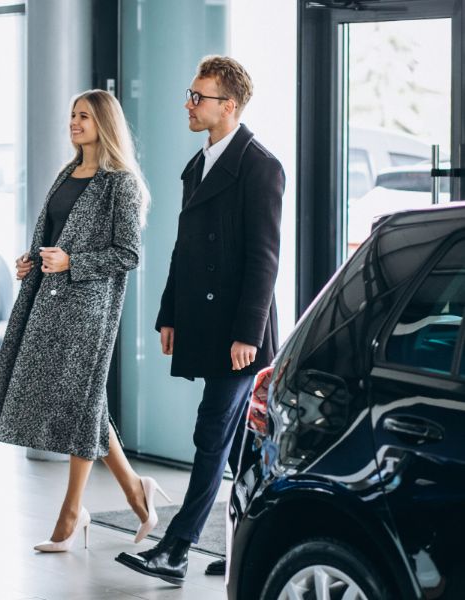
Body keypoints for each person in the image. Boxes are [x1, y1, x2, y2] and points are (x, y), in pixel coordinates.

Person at [116, 55, 284, 585]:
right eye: (190, 94)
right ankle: (244, 552)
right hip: (203, 321)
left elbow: (265, 259)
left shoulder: (260, 166)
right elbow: (184, 249)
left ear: (228, 106)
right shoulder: (199, 164)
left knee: (212, 433)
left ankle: (176, 548)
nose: (187, 104)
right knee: (237, 446)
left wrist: (247, 333)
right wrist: (170, 312)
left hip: (238, 331)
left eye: (198, 97)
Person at [0, 89, 168, 552]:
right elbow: (52, 235)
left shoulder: (119, 182)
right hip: (47, 302)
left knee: (81, 400)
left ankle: (71, 512)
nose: (74, 122)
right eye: (71, 115)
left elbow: (128, 254)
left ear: (104, 123)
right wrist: (32, 259)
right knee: (84, 400)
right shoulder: (68, 172)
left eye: (83, 116)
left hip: (88, 310)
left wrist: (73, 264)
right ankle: (136, 493)